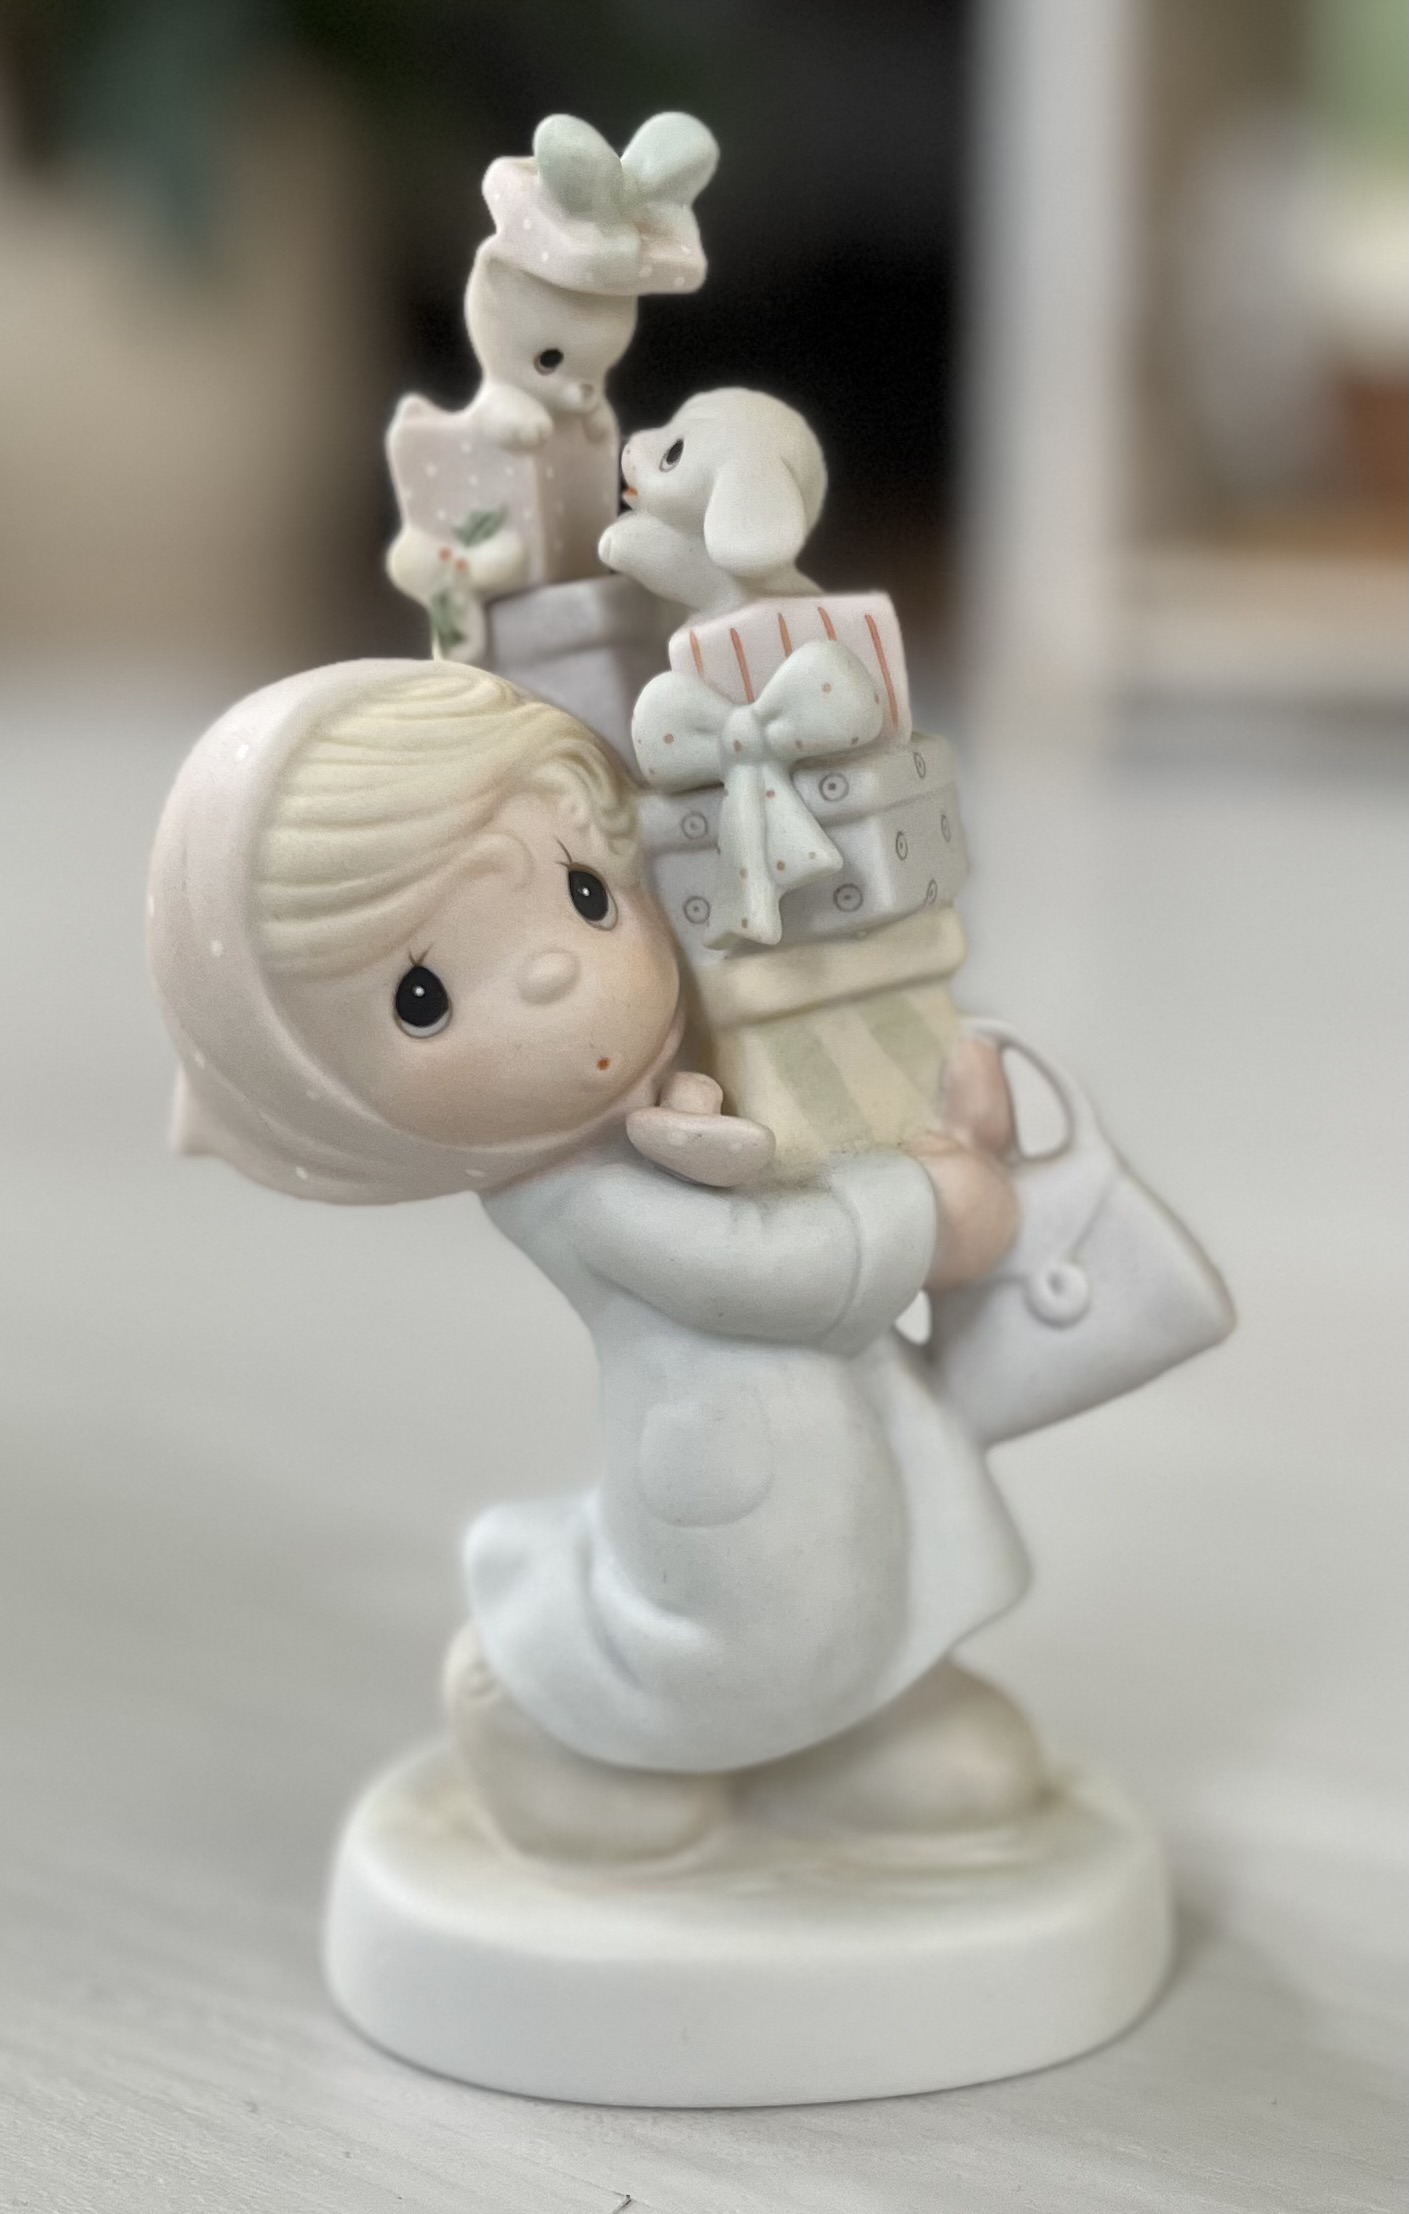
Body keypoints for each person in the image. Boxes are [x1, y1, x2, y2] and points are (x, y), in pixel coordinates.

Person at [149, 658, 1040, 1861]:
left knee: (860, 1576)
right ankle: (539, 1713)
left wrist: (919, 1125)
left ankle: (856, 1716)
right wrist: (931, 1206)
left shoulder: (698, 1076)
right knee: (744, 1629)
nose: (552, 973)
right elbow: (761, 1272)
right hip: (722, 1490)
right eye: (424, 997)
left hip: (838, 1442)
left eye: (583, 894)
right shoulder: (579, 1198)